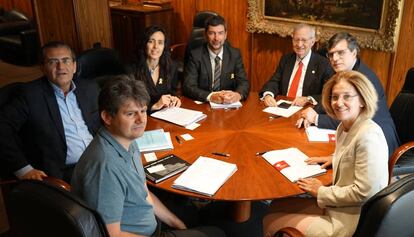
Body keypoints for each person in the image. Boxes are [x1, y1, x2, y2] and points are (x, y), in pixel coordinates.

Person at [71, 75, 225, 237]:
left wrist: (177, 224)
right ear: (107, 117)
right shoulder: (105, 167)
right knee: (217, 233)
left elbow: (144, 193)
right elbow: (110, 234)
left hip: (148, 222)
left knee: (200, 217)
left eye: (143, 111)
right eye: (130, 114)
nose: (141, 120)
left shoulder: (128, 139)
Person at [263, 71, 389, 237]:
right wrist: (334, 158)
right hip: (339, 205)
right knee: (275, 206)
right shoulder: (344, 127)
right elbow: (354, 157)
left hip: (352, 221)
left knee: (271, 222)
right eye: (335, 97)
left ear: (362, 100)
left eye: (347, 97)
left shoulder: (369, 136)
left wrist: (321, 191)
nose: (339, 103)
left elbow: (365, 193)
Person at [0, 41, 100, 182]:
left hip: (101, 161)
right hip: (63, 173)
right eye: (53, 62)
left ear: (74, 65)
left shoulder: (90, 88)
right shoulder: (30, 95)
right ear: (42, 67)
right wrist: (23, 169)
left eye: (66, 60)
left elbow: (106, 121)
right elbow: (2, 128)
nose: (61, 67)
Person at [296, 32, 399, 157]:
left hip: (377, 143)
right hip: (357, 137)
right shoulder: (343, 73)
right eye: (331, 54)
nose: (334, 58)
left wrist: (316, 118)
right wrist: (310, 113)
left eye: (341, 52)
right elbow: (329, 99)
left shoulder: (363, 79)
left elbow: (351, 118)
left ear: (354, 53)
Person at [259, 23, 334, 107]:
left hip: (306, 109)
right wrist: (268, 95)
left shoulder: (323, 64)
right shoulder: (286, 59)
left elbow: (328, 94)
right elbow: (274, 81)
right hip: (282, 107)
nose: (299, 44)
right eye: (296, 40)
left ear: (312, 41)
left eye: (304, 40)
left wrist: (308, 99)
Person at [183, 14, 249, 104]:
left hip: (227, 106)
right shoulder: (195, 55)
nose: (216, 38)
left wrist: (238, 95)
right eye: (212, 33)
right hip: (204, 104)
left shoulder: (234, 54)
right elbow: (188, 87)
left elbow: (244, 83)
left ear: (226, 35)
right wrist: (211, 96)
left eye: (220, 33)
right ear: (206, 35)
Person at [132, 25, 181, 112]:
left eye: (160, 42)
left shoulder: (171, 66)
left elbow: (172, 91)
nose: (155, 46)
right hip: (142, 117)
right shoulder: (132, 69)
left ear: (164, 46)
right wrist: (154, 106)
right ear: (144, 44)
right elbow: (129, 103)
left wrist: (175, 99)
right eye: (151, 41)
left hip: (166, 114)